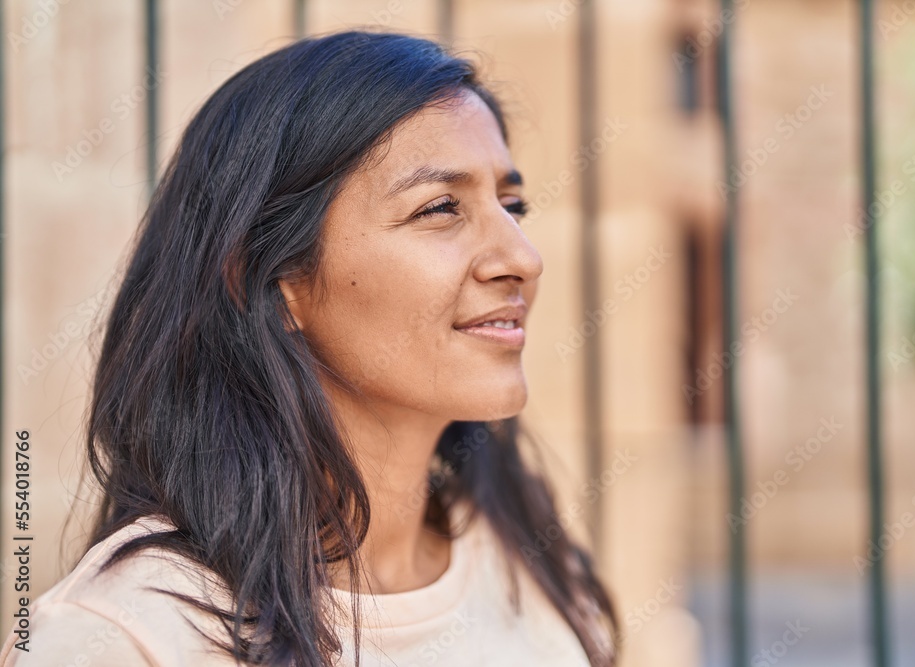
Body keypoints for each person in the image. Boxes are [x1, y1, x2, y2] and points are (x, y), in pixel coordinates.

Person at [0, 30, 618, 666]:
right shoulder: (128, 636)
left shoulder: (525, 560)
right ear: (276, 282)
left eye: (513, 205)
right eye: (439, 208)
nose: (523, 257)